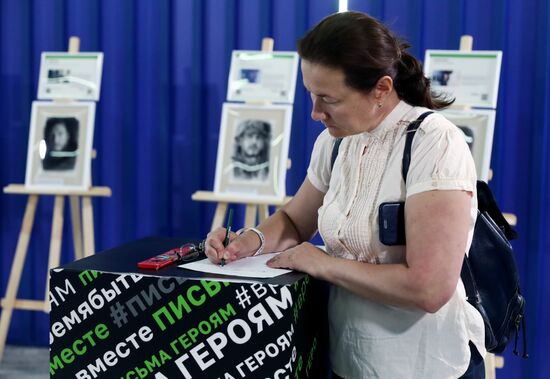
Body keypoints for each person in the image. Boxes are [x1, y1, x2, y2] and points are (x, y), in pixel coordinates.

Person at [205, 11, 485, 379]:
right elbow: (294, 219)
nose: (315, 113)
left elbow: (429, 289)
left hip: (423, 365)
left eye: (328, 99)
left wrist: (322, 263)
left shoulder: (434, 143)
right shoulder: (334, 143)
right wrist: (249, 242)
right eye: (310, 94)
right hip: (347, 359)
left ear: (381, 89)